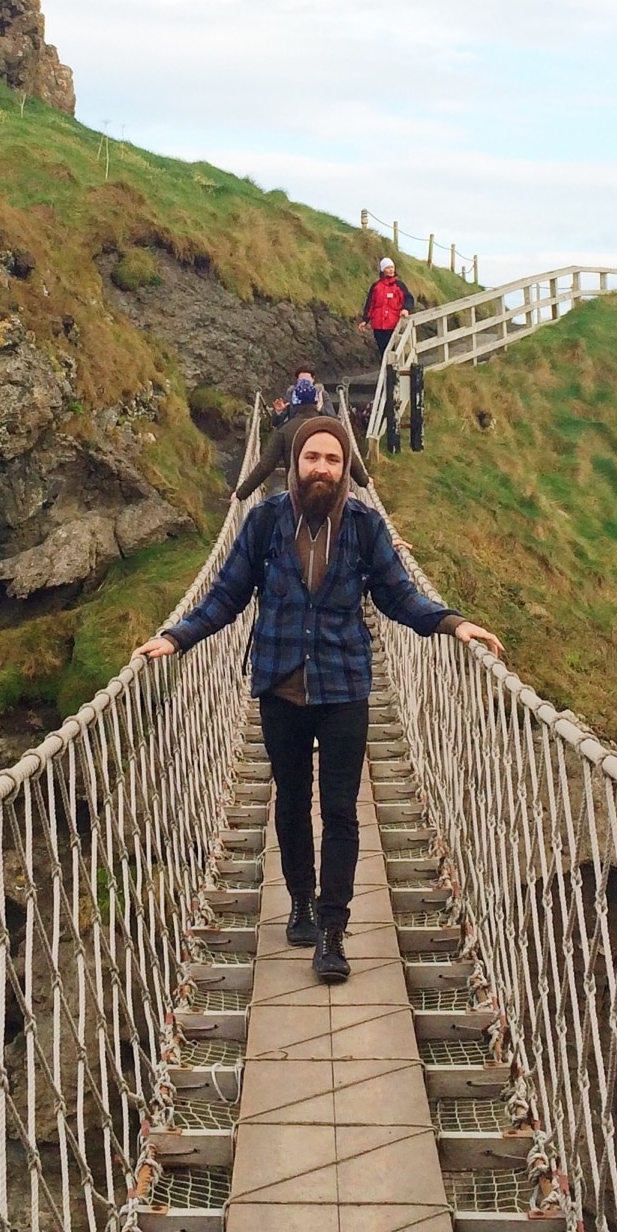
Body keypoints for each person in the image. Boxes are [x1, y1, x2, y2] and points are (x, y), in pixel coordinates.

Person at [136, 417, 500, 984]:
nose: (322, 469)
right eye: (312, 458)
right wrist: (177, 636)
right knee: (289, 800)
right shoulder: (263, 522)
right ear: (295, 463)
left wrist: (453, 623)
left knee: (339, 812)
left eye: (333, 459)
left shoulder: (364, 525)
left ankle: (332, 931)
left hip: (344, 687)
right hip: (280, 684)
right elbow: (227, 594)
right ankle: (301, 900)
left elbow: (399, 595)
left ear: (344, 467)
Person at [361, 258, 414, 363]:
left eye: (392, 267)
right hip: (378, 326)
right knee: (383, 351)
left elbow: (408, 298)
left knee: (393, 351)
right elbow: (370, 304)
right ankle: (387, 374)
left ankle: (393, 374)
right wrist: (365, 320)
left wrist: (405, 309)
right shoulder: (376, 286)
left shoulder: (399, 285)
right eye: (388, 267)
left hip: (394, 325)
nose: (391, 270)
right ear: (382, 270)